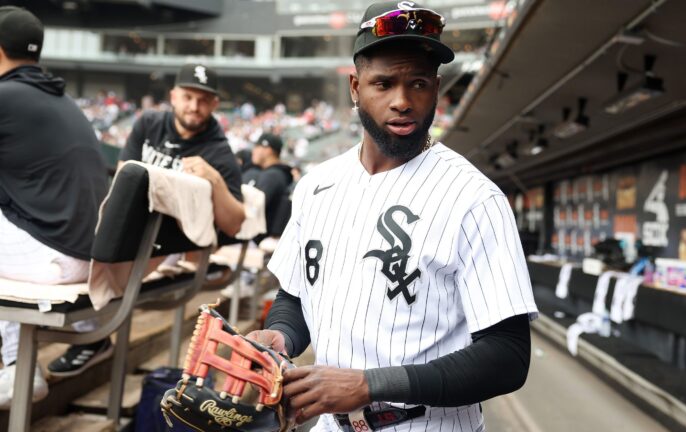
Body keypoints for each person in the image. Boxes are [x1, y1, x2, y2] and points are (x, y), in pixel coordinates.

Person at [247, 2, 538, 430]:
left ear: (436, 89)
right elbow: (295, 296)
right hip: (331, 424)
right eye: (383, 83)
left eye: (417, 83)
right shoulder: (315, 185)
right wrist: (282, 336)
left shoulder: (474, 199)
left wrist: (370, 384)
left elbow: (508, 356)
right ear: (354, 87)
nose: (403, 101)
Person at [46, 63, 246, 376]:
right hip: (131, 229)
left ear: (215, 104)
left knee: (79, 266)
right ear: (174, 96)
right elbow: (125, 180)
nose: (194, 106)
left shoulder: (218, 150)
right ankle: (87, 336)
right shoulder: (150, 123)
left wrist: (216, 181)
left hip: (172, 246)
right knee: (66, 246)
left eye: (204, 100)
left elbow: (235, 223)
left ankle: (90, 337)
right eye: (188, 97)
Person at [0, 6, 109, 407]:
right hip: (88, 259)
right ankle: (20, 364)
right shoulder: (63, 100)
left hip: (52, 259)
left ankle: (17, 369)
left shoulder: (5, 95)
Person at [243, 133, 294, 238]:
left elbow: (253, 210)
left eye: (257, 147)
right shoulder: (277, 174)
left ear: (268, 150)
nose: (253, 151)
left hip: (257, 238)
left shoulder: (272, 175)